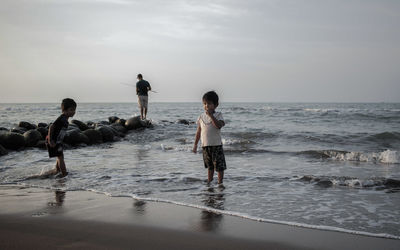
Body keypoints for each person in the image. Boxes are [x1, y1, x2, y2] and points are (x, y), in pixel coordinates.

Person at [193, 91, 226, 184]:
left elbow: (218, 125)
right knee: (209, 166)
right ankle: (209, 181)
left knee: (219, 166)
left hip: (216, 145)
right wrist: (195, 144)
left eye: (209, 103)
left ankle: (220, 182)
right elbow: (199, 131)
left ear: (216, 105)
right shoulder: (201, 117)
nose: (206, 106)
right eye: (205, 103)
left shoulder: (218, 115)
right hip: (205, 146)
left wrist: (211, 116)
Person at [45, 98, 77, 177]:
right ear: (64, 110)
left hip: (58, 141)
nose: (73, 112)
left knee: (59, 156)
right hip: (53, 140)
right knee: (60, 157)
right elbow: (51, 127)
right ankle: (64, 174)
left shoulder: (65, 119)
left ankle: (57, 170)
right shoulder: (62, 118)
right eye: (71, 110)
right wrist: (50, 139)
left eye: (74, 110)